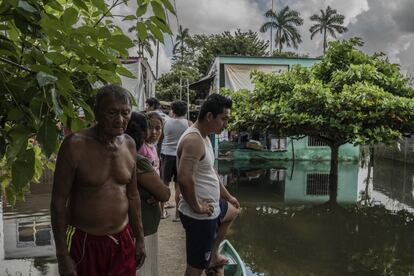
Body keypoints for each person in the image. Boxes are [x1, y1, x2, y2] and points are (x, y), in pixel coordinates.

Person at [51, 84, 145, 276]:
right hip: (84, 242)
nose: (120, 120)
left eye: (125, 113)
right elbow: (58, 202)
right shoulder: (74, 146)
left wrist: (140, 238)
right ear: (96, 112)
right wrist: (62, 255)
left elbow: (133, 195)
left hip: (123, 239)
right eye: (112, 112)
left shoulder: (129, 144)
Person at [176, 93, 240, 276]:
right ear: (210, 116)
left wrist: (227, 197)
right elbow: (184, 178)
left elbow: (210, 173)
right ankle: (208, 259)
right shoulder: (193, 140)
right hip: (200, 218)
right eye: (223, 119)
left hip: (210, 209)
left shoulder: (204, 137)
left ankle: (213, 256)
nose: (226, 124)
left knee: (233, 210)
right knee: (195, 269)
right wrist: (197, 207)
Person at [125, 112, 170, 276]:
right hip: (142, 228)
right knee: (143, 268)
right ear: (142, 134)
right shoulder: (137, 159)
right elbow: (164, 193)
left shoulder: (117, 155)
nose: (153, 132)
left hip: (134, 227)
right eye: (149, 128)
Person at [160, 100, 192, 221]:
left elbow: (160, 138)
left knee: (164, 184)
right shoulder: (189, 124)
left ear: (172, 110)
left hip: (166, 155)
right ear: (185, 111)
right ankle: (178, 215)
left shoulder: (165, 122)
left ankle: (162, 212)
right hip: (181, 155)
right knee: (179, 185)